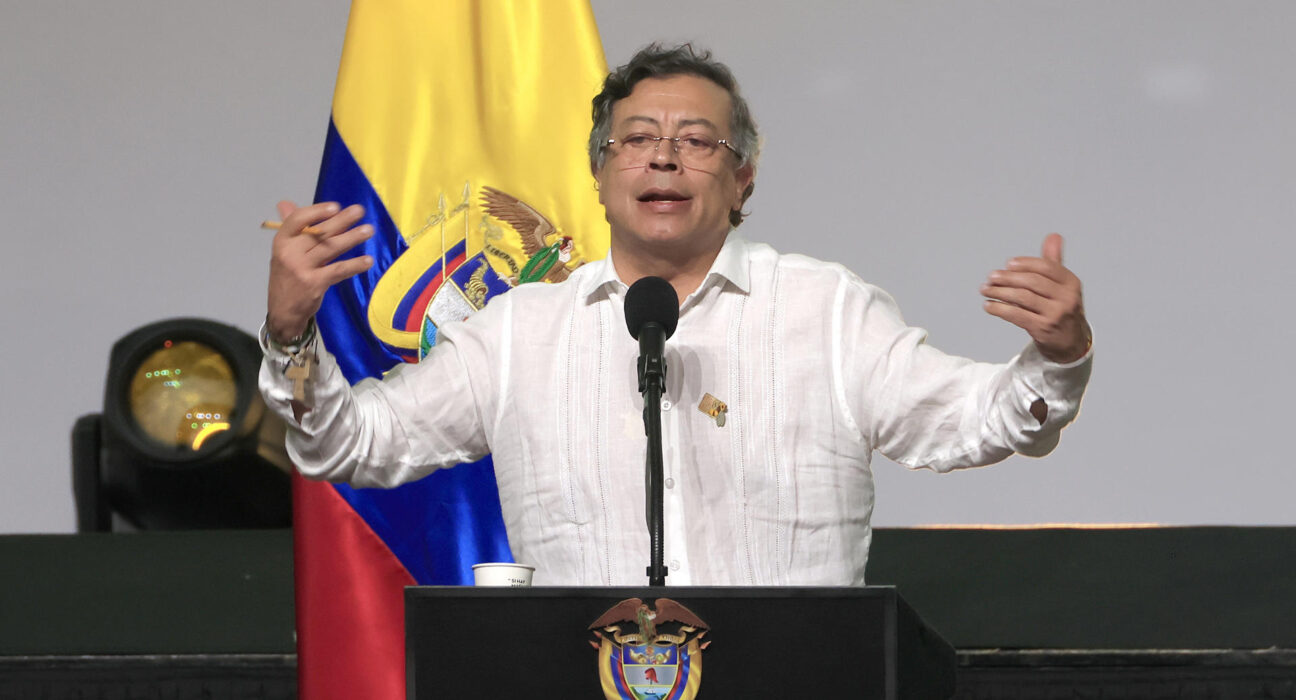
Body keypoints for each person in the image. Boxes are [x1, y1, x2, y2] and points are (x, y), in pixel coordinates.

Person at [259, 44, 1092, 586]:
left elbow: (976, 420)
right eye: (635, 139)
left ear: (743, 179)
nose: (663, 157)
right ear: (598, 174)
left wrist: (1057, 357)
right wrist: (294, 337)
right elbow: (350, 444)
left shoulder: (825, 312)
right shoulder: (519, 336)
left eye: (697, 141)